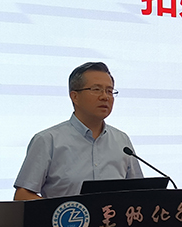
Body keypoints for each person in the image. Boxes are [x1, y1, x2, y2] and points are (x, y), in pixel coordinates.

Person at [13, 62, 143, 200]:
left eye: (109, 91)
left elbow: (140, 192)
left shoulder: (122, 141)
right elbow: (22, 195)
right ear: (75, 96)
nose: (105, 97)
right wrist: (59, 210)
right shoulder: (48, 140)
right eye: (96, 89)